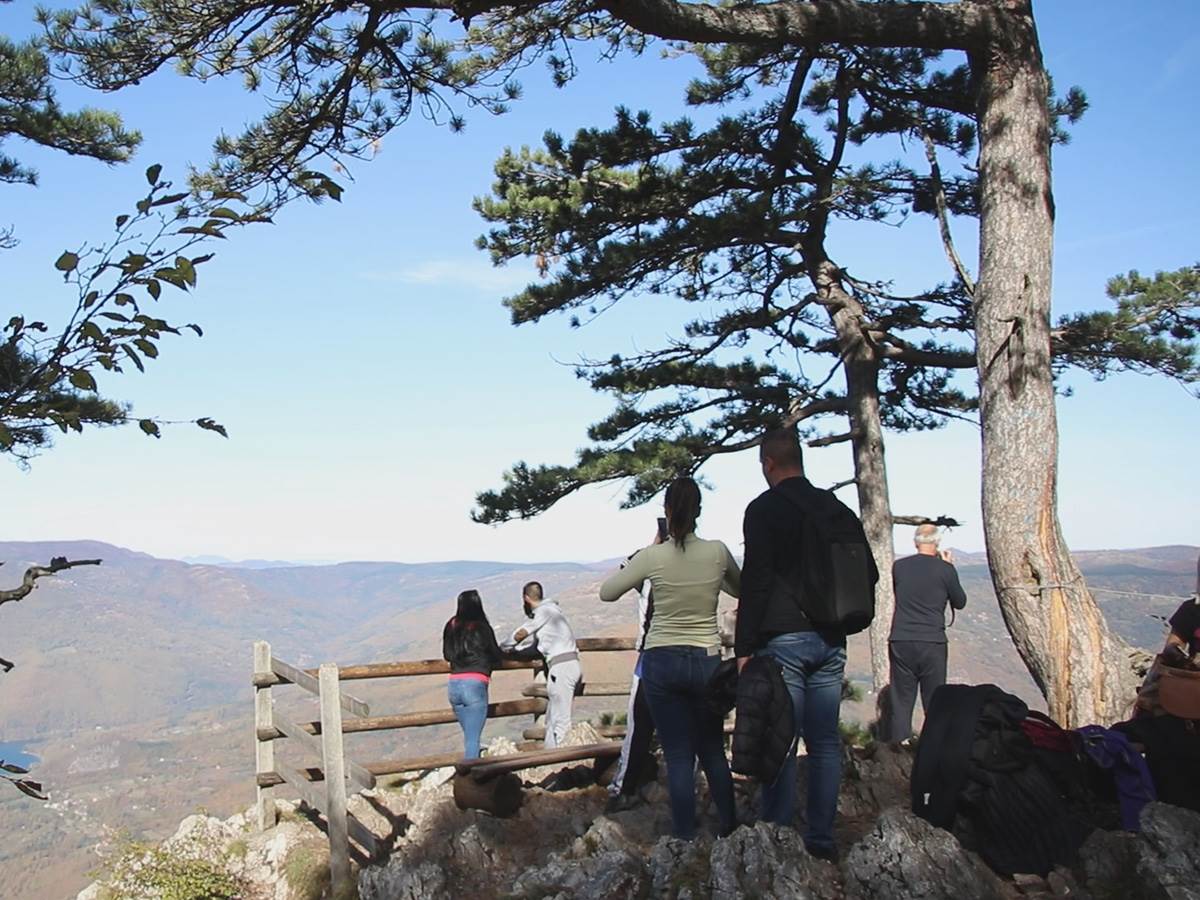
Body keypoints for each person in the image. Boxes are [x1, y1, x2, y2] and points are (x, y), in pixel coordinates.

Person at [737, 427, 877, 860]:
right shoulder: (833, 507)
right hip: (831, 638)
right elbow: (867, 571)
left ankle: (778, 836)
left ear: (768, 463)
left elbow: (756, 581)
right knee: (825, 743)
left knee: (780, 738)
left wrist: (744, 648)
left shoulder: (763, 510)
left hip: (783, 640)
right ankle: (820, 837)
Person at [600, 476, 741, 840]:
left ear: (666, 511)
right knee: (710, 749)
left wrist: (642, 564)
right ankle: (730, 825)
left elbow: (607, 592)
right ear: (699, 511)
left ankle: (683, 834)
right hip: (706, 659)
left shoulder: (652, 557)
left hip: (661, 660)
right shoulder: (717, 552)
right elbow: (742, 589)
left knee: (678, 753)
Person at [886, 523, 968, 743]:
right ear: (937, 543)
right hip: (932, 641)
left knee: (901, 700)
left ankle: (899, 747)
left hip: (901, 638)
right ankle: (933, 748)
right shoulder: (945, 570)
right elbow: (959, 602)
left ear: (915, 543)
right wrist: (949, 567)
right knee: (934, 700)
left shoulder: (899, 567)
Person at [605, 551, 657, 813]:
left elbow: (624, 568)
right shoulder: (694, 565)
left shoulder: (648, 566)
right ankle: (690, 797)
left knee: (639, 728)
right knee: (687, 733)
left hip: (652, 658)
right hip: (694, 652)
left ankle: (623, 790)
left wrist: (654, 544)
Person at [502, 581, 581, 748]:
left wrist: (503, 648)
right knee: (552, 718)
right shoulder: (553, 612)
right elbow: (537, 647)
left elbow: (521, 633)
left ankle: (563, 762)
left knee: (561, 721)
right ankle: (551, 757)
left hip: (561, 667)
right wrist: (519, 652)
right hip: (567, 665)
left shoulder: (543, 612)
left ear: (526, 598)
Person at [441, 589, 504, 759]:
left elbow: (447, 655)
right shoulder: (482, 628)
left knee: (470, 736)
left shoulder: (451, 625)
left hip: (454, 685)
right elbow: (496, 654)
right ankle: (471, 777)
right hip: (475, 685)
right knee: (472, 740)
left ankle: (472, 769)